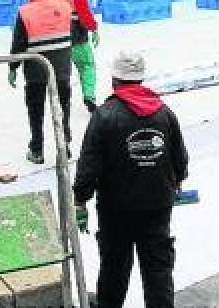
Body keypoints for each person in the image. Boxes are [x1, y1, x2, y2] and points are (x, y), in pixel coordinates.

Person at [74, 52, 189, 308]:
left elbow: (89, 166)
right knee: (157, 268)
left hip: (116, 209)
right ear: (141, 79)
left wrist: (80, 200)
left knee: (114, 266)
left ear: (115, 80)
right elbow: (180, 160)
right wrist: (175, 184)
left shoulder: (104, 116)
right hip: (157, 207)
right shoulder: (165, 114)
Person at [8, 0, 74, 165]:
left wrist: (12, 67)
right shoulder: (64, 7)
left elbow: (19, 43)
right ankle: (65, 147)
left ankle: (37, 150)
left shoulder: (25, 11)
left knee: (36, 110)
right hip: (61, 69)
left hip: (35, 70)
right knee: (63, 108)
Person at [50, 0, 100, 112]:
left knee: (60, 69)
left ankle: (60, 100)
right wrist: (94, 28)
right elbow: (84, 12)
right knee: (86, 65)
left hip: (55, 32)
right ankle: (89, 96)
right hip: (76, 32)